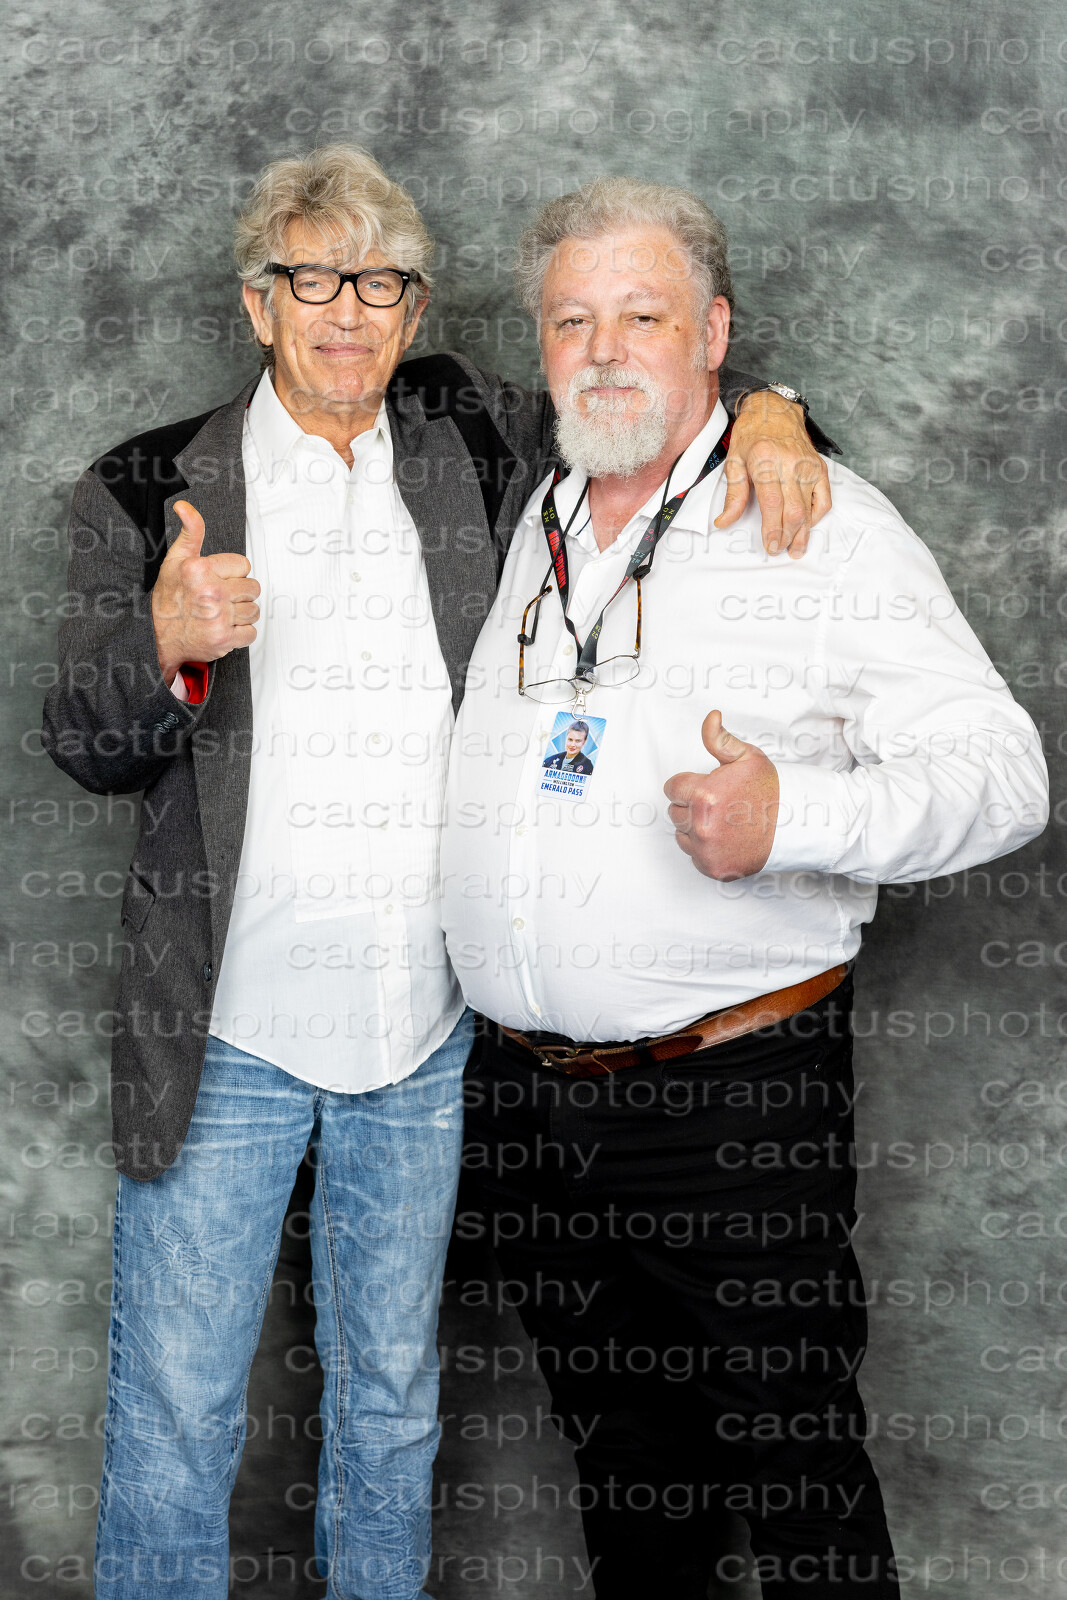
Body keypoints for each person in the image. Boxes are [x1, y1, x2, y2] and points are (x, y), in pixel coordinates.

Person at [40, 145, 831, 1600]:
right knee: (176, 1416)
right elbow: (83, 744)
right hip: (224, 1037)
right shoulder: (145, 486)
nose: (350, 313)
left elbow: (653, 408)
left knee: (393, 1407)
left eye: (384, 285)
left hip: (424, 1038)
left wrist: (775, 411)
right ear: (258, 304)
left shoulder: (474, 437)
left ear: (414, 311)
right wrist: (165, 648)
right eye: (314, 280)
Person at [440, 176, 1049, 1599]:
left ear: (714, 334)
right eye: (571, 320)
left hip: (731, 1108)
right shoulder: (530, 506)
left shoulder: (822, 523)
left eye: (643, 317)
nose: (604, 351)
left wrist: (797, 818)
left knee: (795, 1474)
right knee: (629, 1482)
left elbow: (1007, 773)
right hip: (530, 1108)